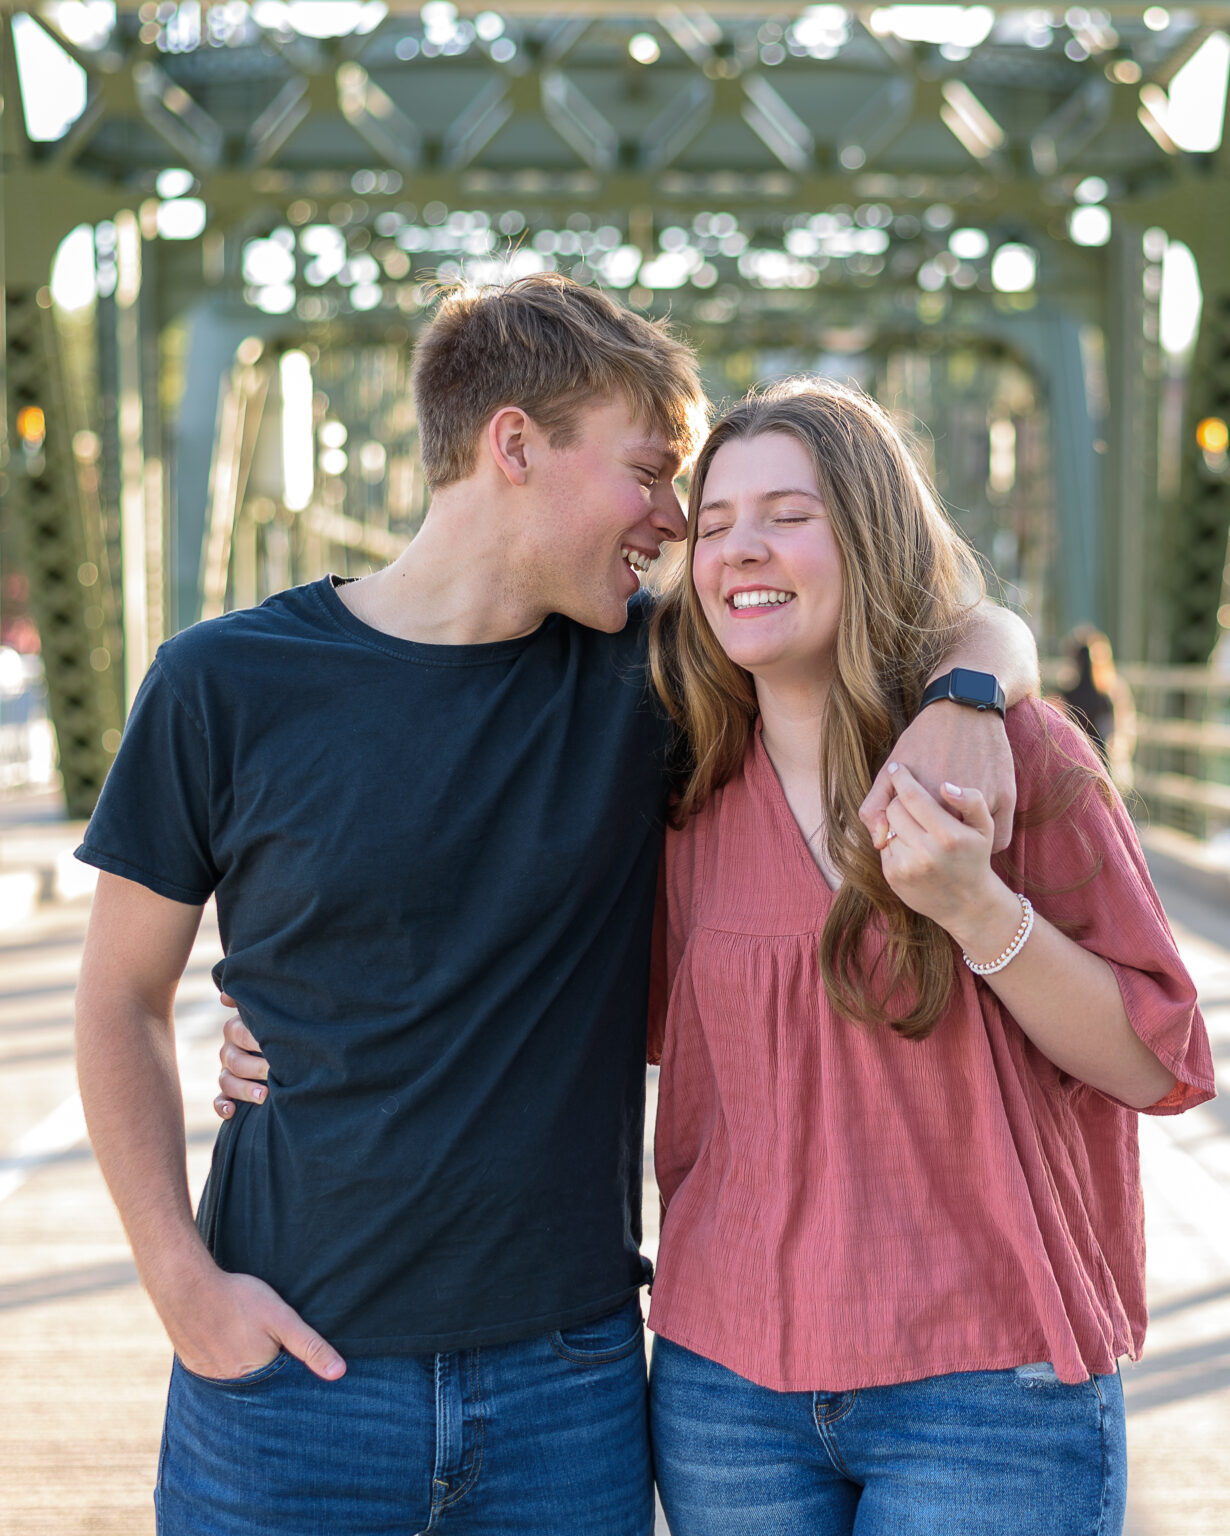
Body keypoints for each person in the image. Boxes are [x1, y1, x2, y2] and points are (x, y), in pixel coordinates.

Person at [78, 276, 1037, 1536]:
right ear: (515, 444)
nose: (675, 518)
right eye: (649, 472)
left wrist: (972, 691)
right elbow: (117, 999)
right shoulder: (223, 683)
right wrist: (182, 1291)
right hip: (286, 1383)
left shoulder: (660, 675)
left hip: (567, 1400)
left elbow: (927, 609)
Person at [638, 380, 1213, 1535]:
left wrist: (975, 908)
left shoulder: (1013, 759)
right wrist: (298, 1035)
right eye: (714, 522)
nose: (743, 546)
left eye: (790, 514)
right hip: (726, 1390)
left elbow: (1157, 1064)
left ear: (869, 534)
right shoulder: (681, 789)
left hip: (984, 1386)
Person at [1058, 624, 1136, 783]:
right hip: (1105, 767)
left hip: (1076, 767)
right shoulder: (1110, 693)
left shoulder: (1066, 694)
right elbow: (1119, 734)